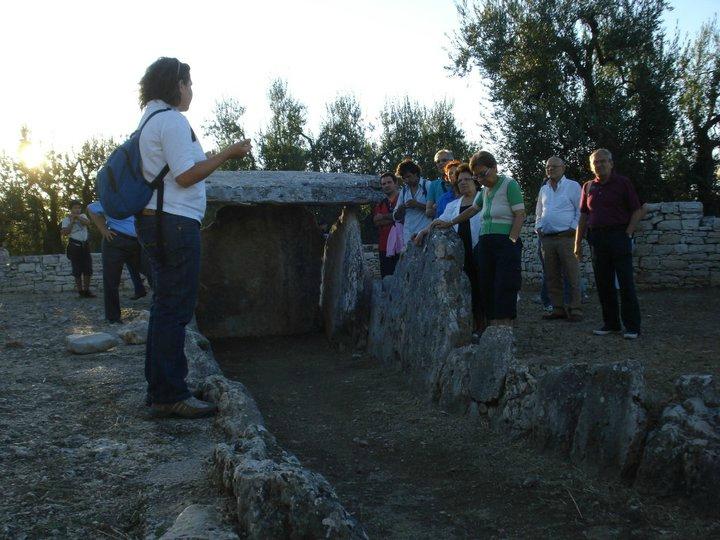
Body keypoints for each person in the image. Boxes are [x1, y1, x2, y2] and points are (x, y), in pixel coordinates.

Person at [135, 57, 252, 418]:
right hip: (175, 224)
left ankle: (160, 390)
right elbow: (186, 175)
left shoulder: (149, 119)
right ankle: (171, 392)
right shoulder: (171, 120)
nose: (191, 90)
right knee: (176, 309)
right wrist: (228, 153)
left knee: (164, 306)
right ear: (176, 85)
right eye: (189, 83)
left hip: (157, 222)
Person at [436, 151, 525, 327]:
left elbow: (520, 214)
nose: (481, 180)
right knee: (487, 285)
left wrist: (512, 241)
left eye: (483, 174)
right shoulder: (483, 191)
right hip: (485, 243)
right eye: (477, 177)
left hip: (505, 242)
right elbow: (472, 210)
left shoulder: (509, 184)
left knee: (504, 285)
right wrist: (450, 222)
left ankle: (505, 329)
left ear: (494, 168)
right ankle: (492, 328)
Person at [575, 149, 643, 339]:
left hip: (619, 235)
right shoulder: (588, 187)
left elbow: (637, 210)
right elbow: (583, 216)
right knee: (603, 283)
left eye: (603, 161)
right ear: (591, 166)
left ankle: (632, 326)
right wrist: (577, 243)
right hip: (597, 238)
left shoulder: (623, 183)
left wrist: (628, 233)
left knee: (625, 282)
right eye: (596, 162)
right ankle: (611, 323)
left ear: (611, 163)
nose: (600, 165)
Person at [416, 163, 484, 331]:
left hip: (482, 249)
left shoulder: (484, 198)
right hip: (461, 253)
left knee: (484, 286)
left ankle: (487, 324)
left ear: (475, 181)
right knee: (469, 288)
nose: (463, 183)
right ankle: (475, 325)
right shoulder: (452, 205)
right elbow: (439, 221)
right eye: (460, 180)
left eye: (467, 179)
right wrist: (423, 232)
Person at [535, 156, 583, 322]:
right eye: (548, 167)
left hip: (567, 237)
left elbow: (580, 209)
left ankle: (575, 308)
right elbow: (539, 212)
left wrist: (573, 228)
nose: (550, 169)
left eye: (554, 166)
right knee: (552, 275)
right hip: (547, 238)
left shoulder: (573, 186)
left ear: (563, 168)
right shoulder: (544, 189)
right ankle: (558, 308)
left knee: (572, 273)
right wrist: (538, 228)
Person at [86, 201, 147, 324]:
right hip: (115, 239)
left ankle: (164, 310)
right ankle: (113, 317)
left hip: (138, 242)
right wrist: (103, 230)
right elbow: (91, 208)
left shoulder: (138, 197)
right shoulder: (113, 199)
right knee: (111, 279)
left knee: (152, 271)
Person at [393, 158, 432, 249]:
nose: (406, 180)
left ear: (416, 174)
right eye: (404, 178)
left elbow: (437, 209)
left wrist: (417, 204)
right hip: (408, 236)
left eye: (409, 176)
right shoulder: (403, 192)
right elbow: (395, 216)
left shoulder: (428, 186)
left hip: (426, 234)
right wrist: (401, 208)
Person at [60, 200, 95, 298]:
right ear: (71, 209)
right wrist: (72, 221)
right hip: (74, 246)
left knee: (88, 269)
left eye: (79, 208)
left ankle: (87, 290)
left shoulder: (83, 216)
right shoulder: (66, 219)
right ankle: (80, 291)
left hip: (85, 246)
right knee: (77, 270)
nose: (77, 209)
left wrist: (77, 217)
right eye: (75, 208)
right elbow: (65, 232)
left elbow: (88, 223)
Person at [373, 172, 400, 277]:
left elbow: (403, 217)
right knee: (387, 278)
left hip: (401, 245)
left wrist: (384, 217)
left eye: (389, 182)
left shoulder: (403, 199)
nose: (386, 185)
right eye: (383, 184)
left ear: (396, 183)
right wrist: (394, 218)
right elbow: (376, 221)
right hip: (384, 247)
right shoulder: (380, 203)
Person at [425, 149, 455, 218]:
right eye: (438, 162)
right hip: (441, 224)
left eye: (444, 160)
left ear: (452, 161)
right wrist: (439, 207)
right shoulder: (434, 185)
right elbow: (428, 211)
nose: (440, 163)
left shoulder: (460, 180)